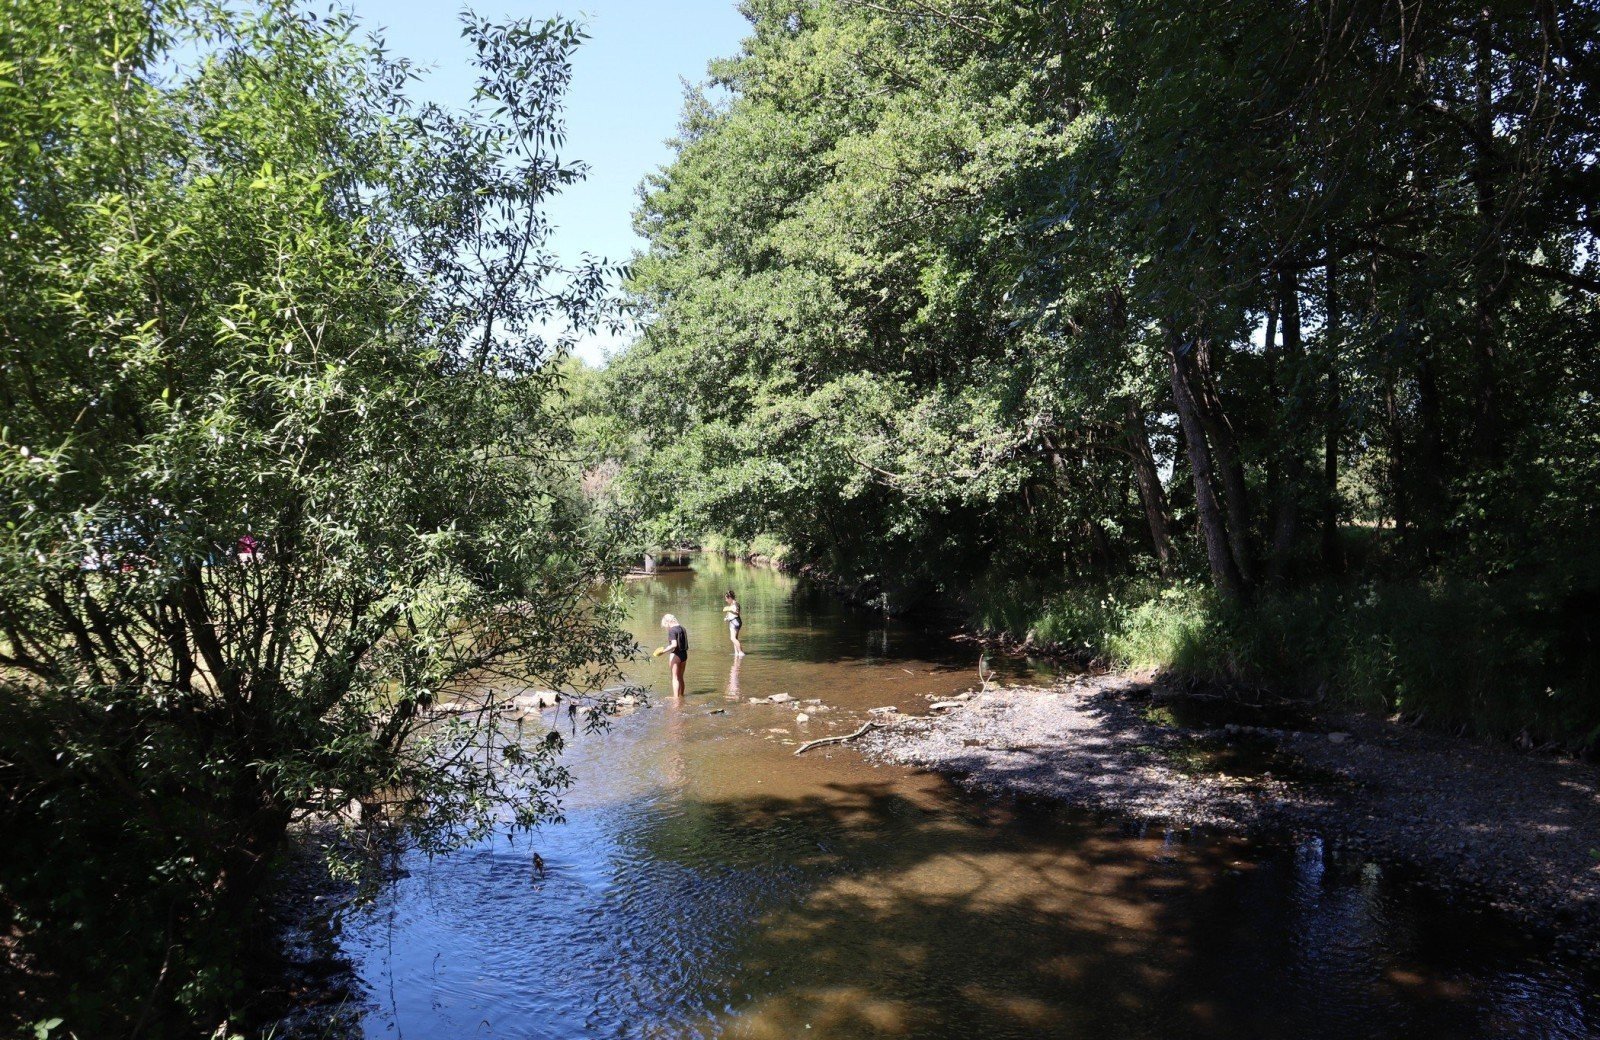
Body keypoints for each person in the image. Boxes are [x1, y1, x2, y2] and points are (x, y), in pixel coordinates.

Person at [659, 613, 688, 697]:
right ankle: (681, 696)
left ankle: (675, 699)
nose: (666, 628)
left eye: (665, 625)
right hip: (684, 655)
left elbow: (674, 645)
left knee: (674, 678)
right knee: (680, 677)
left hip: (676, 655)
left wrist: (663, 651)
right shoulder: (683, 628)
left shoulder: (672, 630)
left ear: (668, 622)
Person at [722, 590, 745, 657]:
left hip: (735, 622)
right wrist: (726, 617)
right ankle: (737, 653)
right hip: (734, 621)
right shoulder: (731, 605)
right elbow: (729, 613)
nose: (726, 600)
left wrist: (730, 610)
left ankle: (741, 652)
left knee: (732, 638)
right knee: (735, 638)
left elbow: (737, 613)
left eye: (726, 598)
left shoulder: (736, 604)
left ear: (730, 598)